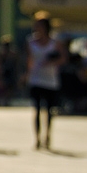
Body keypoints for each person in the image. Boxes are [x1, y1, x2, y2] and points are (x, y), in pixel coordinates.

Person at [27, 16, 65, 149]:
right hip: (36, 79)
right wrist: (27, 75)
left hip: (51, 79)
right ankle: (37, 137)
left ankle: (47, 135)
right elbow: (28, 60)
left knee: (49, 110)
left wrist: (51, 62)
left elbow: (63, 58)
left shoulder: (55, 43)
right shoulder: (31, 42)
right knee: (36, 109)